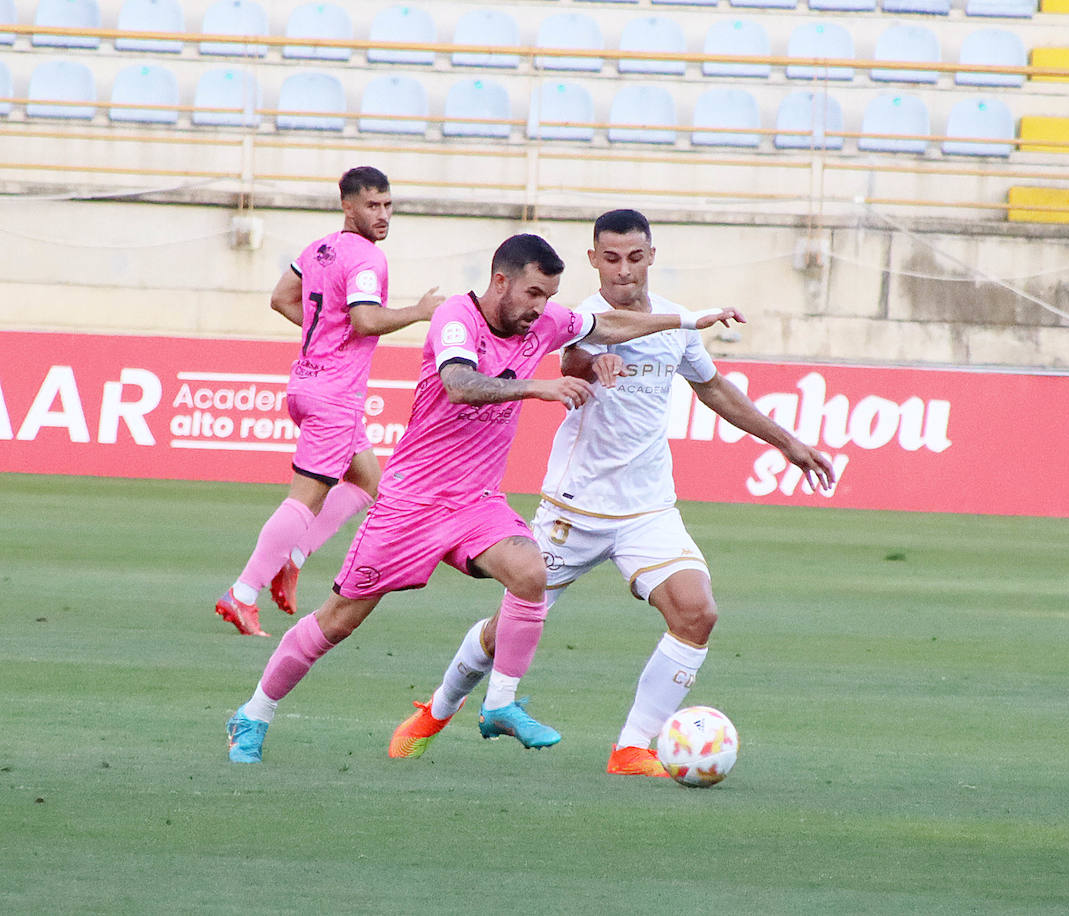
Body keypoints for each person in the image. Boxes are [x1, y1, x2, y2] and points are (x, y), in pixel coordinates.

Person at [225, 233, 744, 764]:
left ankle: (500, 704)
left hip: (475, 503)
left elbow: (607, 324)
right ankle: (253, 714)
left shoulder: (541, 322)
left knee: (530, 572)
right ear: (501, 282)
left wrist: (685, 321)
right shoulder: (456, 317)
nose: (541, 309)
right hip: (410, 505)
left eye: (549, 297)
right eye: (534, 294)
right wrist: (538, 388)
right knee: (337, 621)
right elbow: (460, 383)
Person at [388, 210, 834, 776]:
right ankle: (438, 710)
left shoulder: (674, 323)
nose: (624, 271)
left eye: (635, 257)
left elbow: (714, 387)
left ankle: (632, 748)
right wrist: (589, 362)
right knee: (506, 634)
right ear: (593, 259)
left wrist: (787, 442)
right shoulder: (573, 317)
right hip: (573, 508)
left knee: (696, 612)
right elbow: (570, 356)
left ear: (651, 256)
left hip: (647, 508)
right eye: (612, 258)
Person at [214, 166, 443, 638]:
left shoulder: (318, 248)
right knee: (305, 499)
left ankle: (291, 558)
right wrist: (418, 313)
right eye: (372, 206)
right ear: (347, 206)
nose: (382, 215)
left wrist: (325, 334)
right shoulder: (366, 259)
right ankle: (242, 593)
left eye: (387, 205)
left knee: (368, 483)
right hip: (334, 396)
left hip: (305, 384)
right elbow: (363, 320)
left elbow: (281, 298)